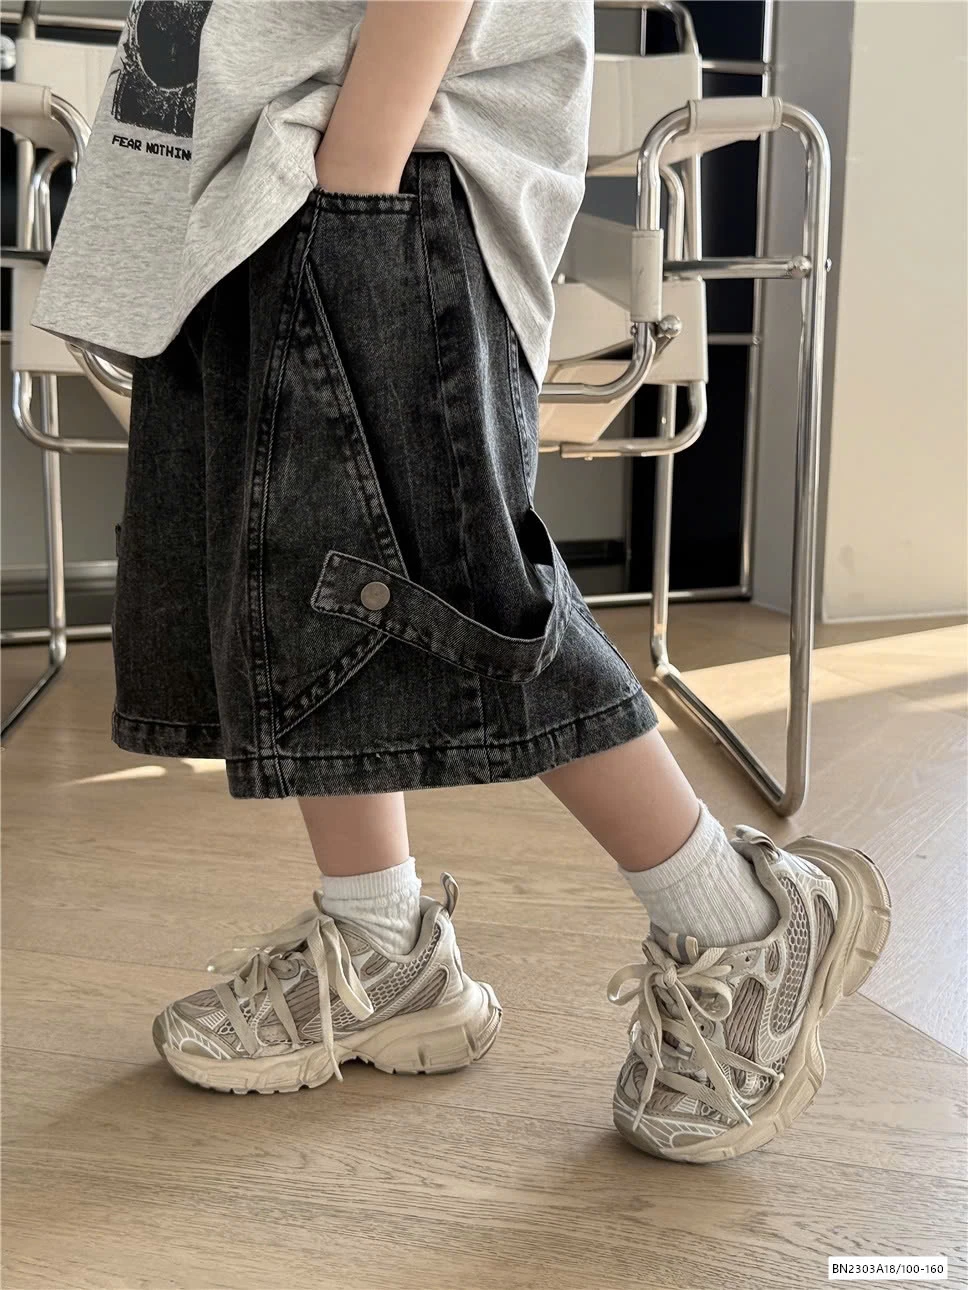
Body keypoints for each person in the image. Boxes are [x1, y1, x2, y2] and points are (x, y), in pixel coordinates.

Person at [33, 0, 890, 1164]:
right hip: (251, 183)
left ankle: (738, 920)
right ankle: (380, 945)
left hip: (355, 166)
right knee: (301, 584)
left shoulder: (355, 166)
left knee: (455, 596)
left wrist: (358, 166)